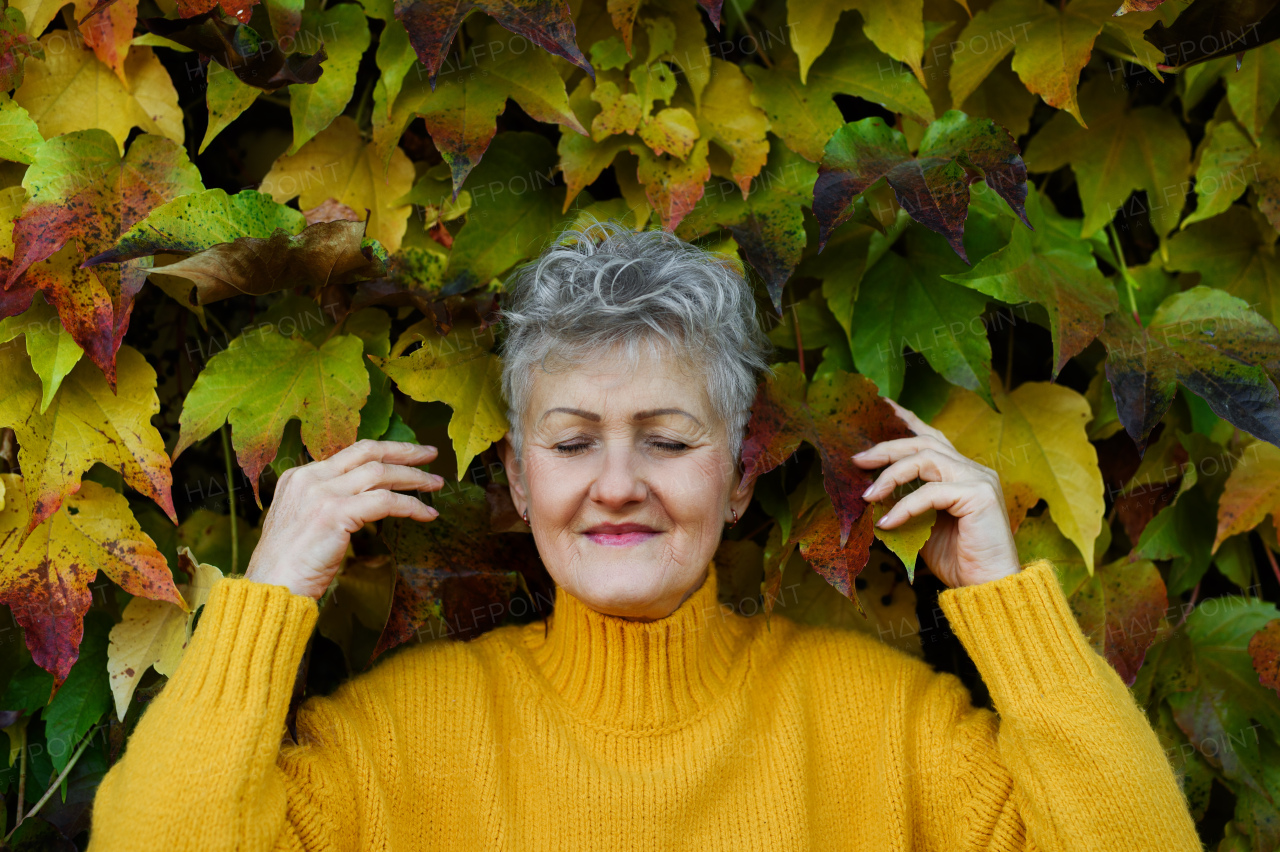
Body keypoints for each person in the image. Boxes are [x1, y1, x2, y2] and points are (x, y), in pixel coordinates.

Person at [87, 222, 1202, 851]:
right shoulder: (389, 746)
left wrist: (1004, 604)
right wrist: (269, 597)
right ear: (519, 483)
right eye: (572, 444)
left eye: (666, 441)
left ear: (737, 475)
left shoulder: (889, 728)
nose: (615, 485)